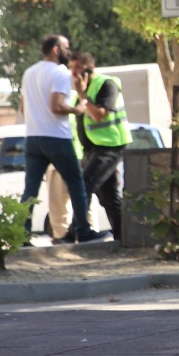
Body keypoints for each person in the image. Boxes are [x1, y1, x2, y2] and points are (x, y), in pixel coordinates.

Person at [20, 34, 108, 244]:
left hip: (33, 137)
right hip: (56, 137)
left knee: (30, 189)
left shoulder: (29, 73)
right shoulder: (59, 73)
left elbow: (23, 107)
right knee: (77, 183)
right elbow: (56, 106)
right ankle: (84, 231)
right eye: (66, 48)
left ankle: (22, 234)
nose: (70, 51)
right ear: (56, 50)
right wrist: (77, 109)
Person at [69, 51, 128, 240]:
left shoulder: (106, 84)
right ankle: (123, 236)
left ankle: (77, 232)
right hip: (92, 148)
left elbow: (99, 115)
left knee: (84, 185)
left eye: (77, 68)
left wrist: (81, 93)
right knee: (109, 198)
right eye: (71, 68)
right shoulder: (84, 89)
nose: (73, 73)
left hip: (111, 146)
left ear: (90, 67)